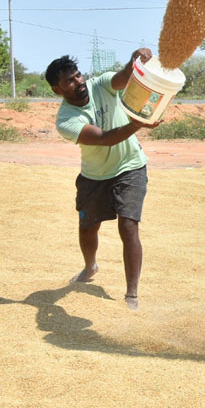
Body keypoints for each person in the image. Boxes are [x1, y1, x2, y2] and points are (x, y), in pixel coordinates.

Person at [46, 48, 161, 310]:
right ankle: (90, 266)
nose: (78, 83)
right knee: (87, 227)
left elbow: (122, 78)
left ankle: (132, 294)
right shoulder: (66, 120)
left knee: (128, 224)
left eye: (78, 76)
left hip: (130, 165)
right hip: (94, 175)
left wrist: (134, 61)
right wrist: (139, 123)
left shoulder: (100, 84)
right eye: (69, 81)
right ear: (57, 90)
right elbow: (104, 139)